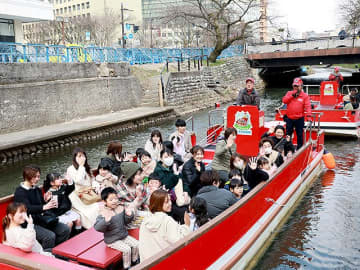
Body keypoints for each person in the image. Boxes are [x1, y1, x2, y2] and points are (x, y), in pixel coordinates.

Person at [14, 165, 70, 250]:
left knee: (65, 229)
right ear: (27, 177)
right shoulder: (20, 192)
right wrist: (44, 206)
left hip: (40, 219)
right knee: (49, 236)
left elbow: (41, 205)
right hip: (28, 223)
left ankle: (56, 251)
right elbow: (27, 208)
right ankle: (45, 255)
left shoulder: (36, 189)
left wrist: (45, 200)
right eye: (34, 177)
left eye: (38, 176)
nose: (37, 179)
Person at [139, 189, 190, 262]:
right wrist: (186, 225)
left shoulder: (146, 219)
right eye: (166, 202)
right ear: (158, 203)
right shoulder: (166, 220)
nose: (170, 203)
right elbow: (180, 242)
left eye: (170, 200)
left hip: (148, 263)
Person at [94, 187, 139, 269]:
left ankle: (135, 261)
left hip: (122, 235)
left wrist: (129, 215)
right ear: (105, 201)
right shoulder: (103, 212)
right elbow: (97, 228)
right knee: (127, 249)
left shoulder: (120, 208)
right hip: (112, 240)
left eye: (115, 198)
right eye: (111, 200)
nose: (114, 201)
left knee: (136, 244)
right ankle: (127, 266)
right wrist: (106, 221)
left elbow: (126, 221)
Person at [67, 147, 99, 229]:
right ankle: (94, 227)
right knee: (93, 209)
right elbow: (78, 180)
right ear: (75, 158)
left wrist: (96, 185)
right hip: (78, 196)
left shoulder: (87, 167)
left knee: (100, 204)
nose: (82, 158)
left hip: (90, 192)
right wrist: (81, 166)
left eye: (83, 155)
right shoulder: (70, 169)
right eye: (79, 156)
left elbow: (92, 179)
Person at [282, 77, 311, 150]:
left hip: (299, 118)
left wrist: (309, 116)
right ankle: (288, 149)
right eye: (294, 86)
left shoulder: (305, 96)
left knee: (300, 135)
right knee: (288, 134)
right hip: (289, 118)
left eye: (297, 86)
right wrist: (292, 96)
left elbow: (307, 106)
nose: (296, 88)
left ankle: (299, 149)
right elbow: (284, 101)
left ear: (301, 86)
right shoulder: (289, 93)